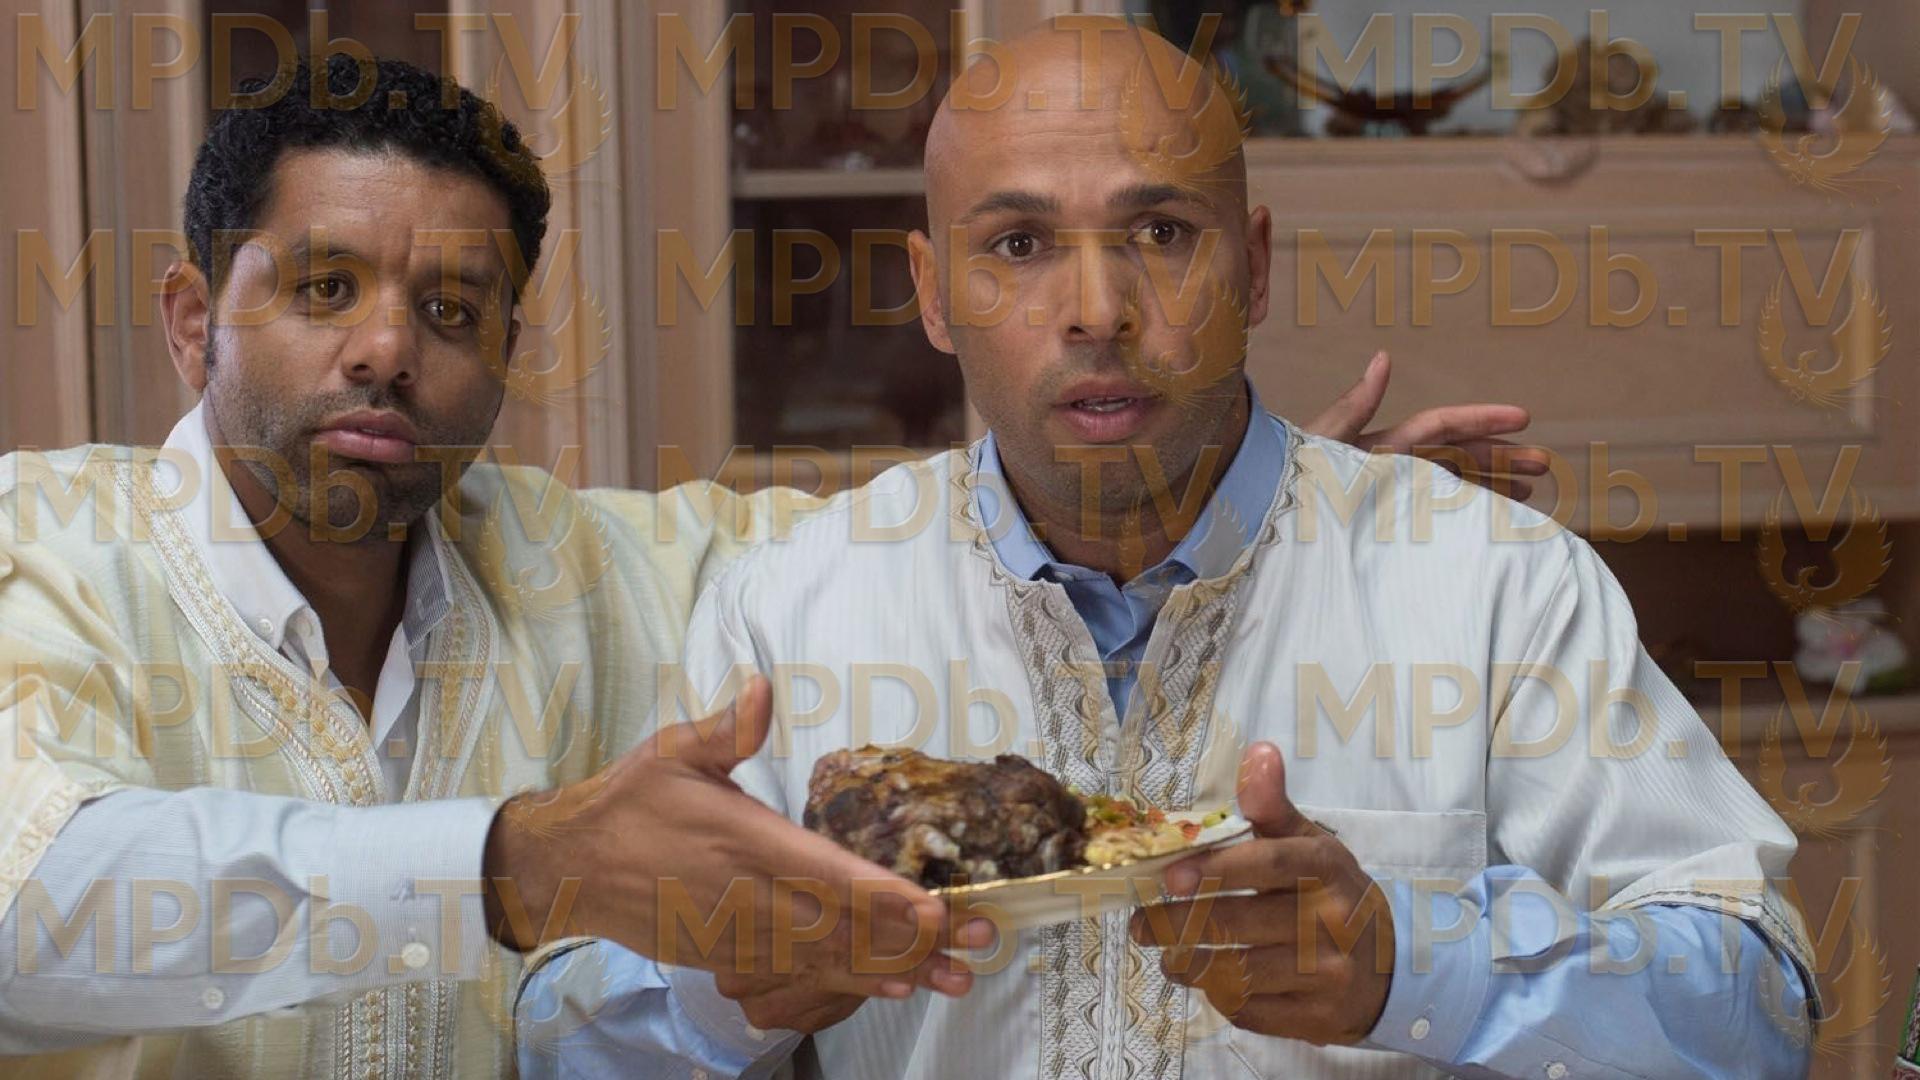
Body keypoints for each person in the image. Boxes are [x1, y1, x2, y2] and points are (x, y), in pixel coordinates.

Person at [0, 54, 1518, 1077]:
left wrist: (1253, 491)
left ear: (506, 353)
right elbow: (37, 901)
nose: (388, 349)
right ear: (193, 320)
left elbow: (956, 544)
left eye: (454, 311)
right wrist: (519, 861)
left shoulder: (583, 567)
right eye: (325, 289)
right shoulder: (40, 547)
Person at [515, 20, 1816, 1080]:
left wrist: (1414, 965)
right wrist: (726, 993)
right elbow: (561, 1033)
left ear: (1254, 268)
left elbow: (1758, 1008)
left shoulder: (1494, 586)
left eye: (1161, 234)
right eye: (1019, 245)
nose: (1098, 310)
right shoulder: (789, 611)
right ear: (932, 293)